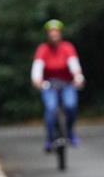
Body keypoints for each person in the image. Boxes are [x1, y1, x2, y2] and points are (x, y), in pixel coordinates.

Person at [31, 19, 85, 151]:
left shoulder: (67, 47)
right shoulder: (42, 49)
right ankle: (50, 138)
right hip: (49, 85)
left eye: (56, 33)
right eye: (51, 33)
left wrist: (78, 77)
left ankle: (70, 132)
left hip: (67, 83)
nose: (54, 36)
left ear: (60, 34)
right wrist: (37, 80)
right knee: (51, 108)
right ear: (47, 35)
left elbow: (74, 65)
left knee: (70, 105)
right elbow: (37, 67)